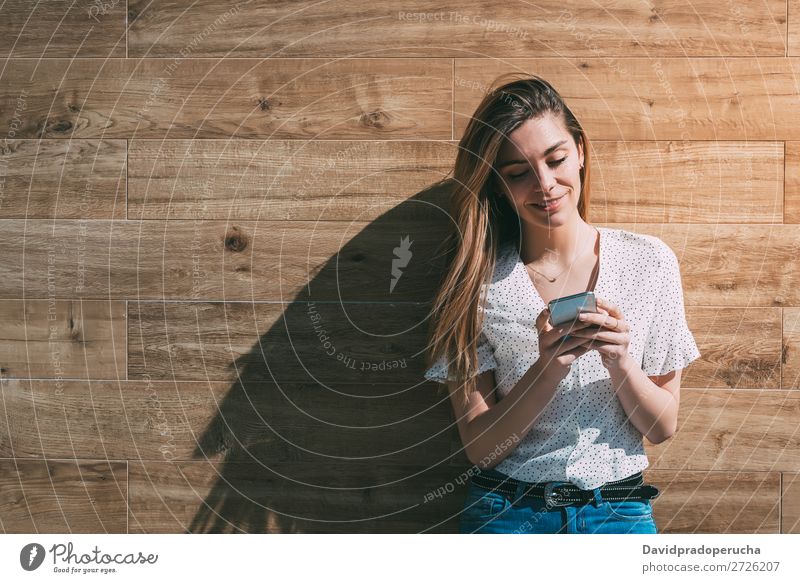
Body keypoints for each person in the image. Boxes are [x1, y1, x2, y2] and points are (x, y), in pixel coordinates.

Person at [423, 73, 701, 534]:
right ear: (496, 185)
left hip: (619, 512)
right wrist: (547, 367)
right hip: (508, 515)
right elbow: (481, 449)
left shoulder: (650, 262)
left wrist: (621, 362)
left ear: (581, 152)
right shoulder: (473, 284)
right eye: (517, 174)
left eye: (556, 159)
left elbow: (662, 426)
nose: (545, 184)